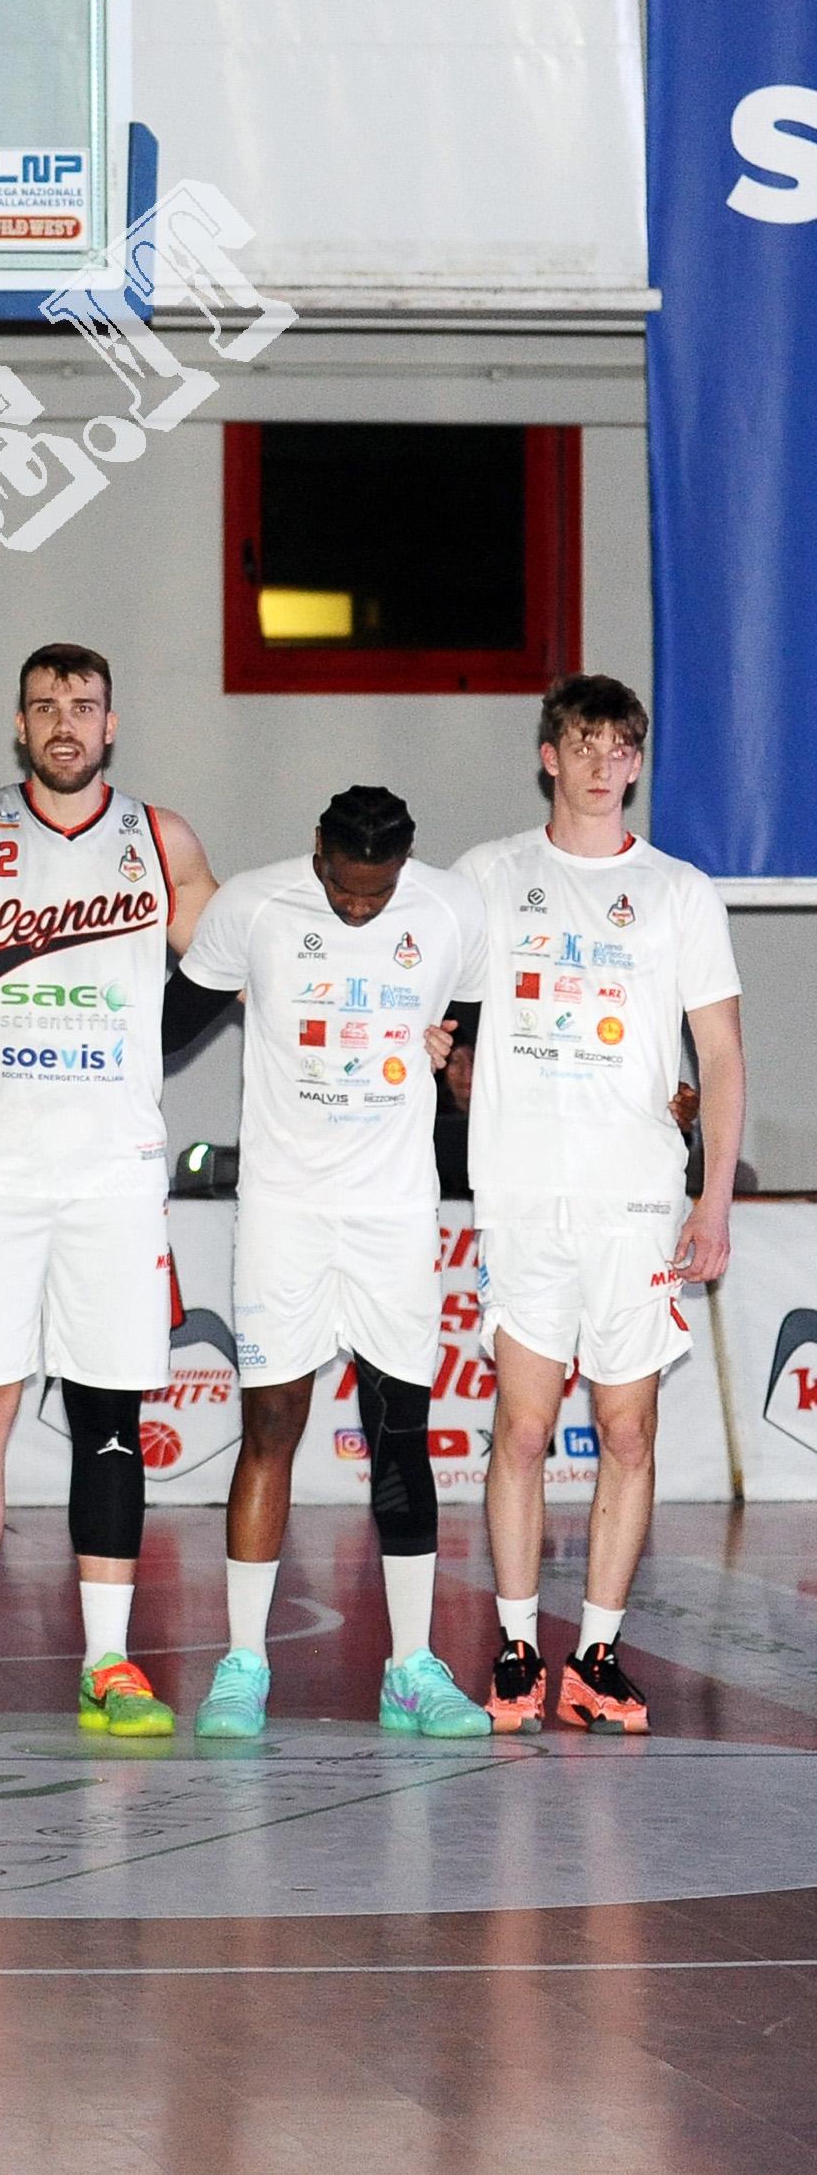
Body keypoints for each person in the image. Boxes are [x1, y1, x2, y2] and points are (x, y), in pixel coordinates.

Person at [0, 643, 218, 1740]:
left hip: (110, 1171)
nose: (64, 724)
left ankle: (107, 1662)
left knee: (109, 1412)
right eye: (44, 706)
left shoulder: (161, 839)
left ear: (110, 724)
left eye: (82, 706)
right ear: (19, 723)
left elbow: (236, 960)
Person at [454, 676, 743, 1734]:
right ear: (549, 754)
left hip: (634, 1205)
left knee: (626, 1433)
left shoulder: (679, 892)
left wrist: (712, 1199)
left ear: (636, 762)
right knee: (523, 1428)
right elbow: (412, 981)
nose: (598, 763)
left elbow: (720, 1055)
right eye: (581, 742)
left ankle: (599, 1656)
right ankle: (517, 1647)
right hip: (525, 1199)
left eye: (618, 747)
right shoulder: (489, 876)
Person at [177, 786, 492, 1739]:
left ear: (405, 865)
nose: (357, 907)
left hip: (393, 1213)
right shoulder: (253, 905)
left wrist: (453, 1045)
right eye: (343, 889)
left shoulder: (449, 909)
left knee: (400, 1431)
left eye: (376, 892)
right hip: (285, 1210)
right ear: (316, 849)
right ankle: (242, 1663)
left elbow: (482, 1021)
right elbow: (167, 1023)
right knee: (270, 1422)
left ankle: (410, 1667)